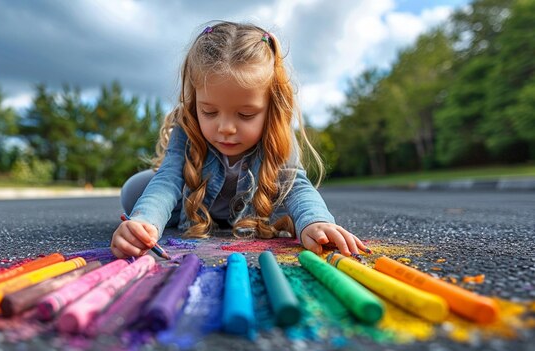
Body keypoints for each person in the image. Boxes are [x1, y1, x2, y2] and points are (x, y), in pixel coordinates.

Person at [111, 21, 370, 260]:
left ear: (271, 108)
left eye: (246, 114)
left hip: (256, 210)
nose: (225, 128)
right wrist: (145, 222)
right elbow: (168, 179)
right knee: (136, 189)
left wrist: (315, 222)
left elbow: (296, 186)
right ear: (195, 103)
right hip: (196, 206)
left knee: (299, 210)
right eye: (209, 112)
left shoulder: (276, 130)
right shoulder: (186, 127)